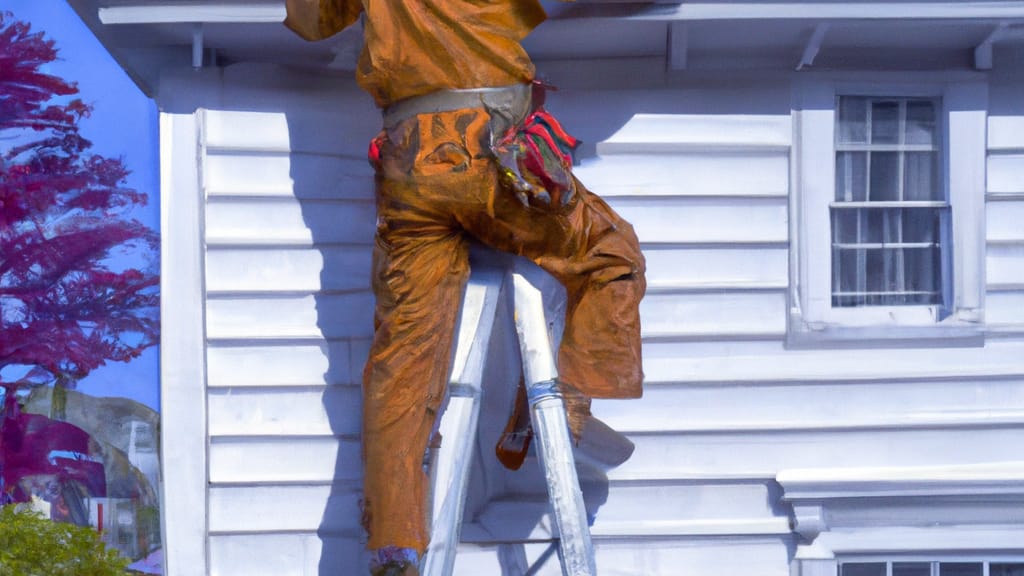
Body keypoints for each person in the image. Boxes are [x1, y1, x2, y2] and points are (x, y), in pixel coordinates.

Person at [284, 2, 646, 574]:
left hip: (409, 169)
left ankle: (393, 546)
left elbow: (310, 19)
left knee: (403, 358)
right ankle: (567, 399)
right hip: (492, 154)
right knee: (610, 254)